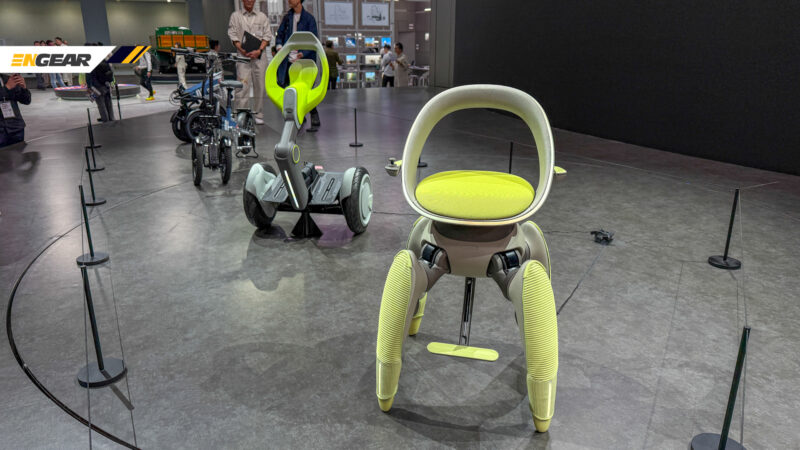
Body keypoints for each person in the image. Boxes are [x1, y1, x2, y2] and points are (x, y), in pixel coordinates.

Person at [275, 0, 321, 128]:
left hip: (304, 61)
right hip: (288, 60)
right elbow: (279, 35)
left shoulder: (309, 19)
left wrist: (303, 53)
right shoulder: (287, 18)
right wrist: (279, 47)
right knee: (291, 88)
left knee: (306, 89)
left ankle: (314, 114)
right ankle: (299, 114)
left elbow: (313, 40)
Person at [228, 0, 273, 125]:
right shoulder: (235, 16)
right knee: (242, 86)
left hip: (259, 57)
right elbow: (232, 35)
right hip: (243, 57)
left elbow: (267, 36)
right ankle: (241, 114)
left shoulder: (262, 17)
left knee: (260, 86)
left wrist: (259, 50)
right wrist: (242, 49)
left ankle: (259, 113)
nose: (249, 1)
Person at [86, 44, 116, 122]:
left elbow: (88, 75)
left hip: (97, 86)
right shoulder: (104, 59)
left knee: (101, 104)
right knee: (109, 103)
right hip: (106, 85)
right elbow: (110, 71)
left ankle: (106, 121)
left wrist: (89, 86)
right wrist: (111, 83)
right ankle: (112, 119)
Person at [0, 74, 32, 147]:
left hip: (16, 128)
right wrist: (6, 88)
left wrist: (23, 88)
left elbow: (26, 100)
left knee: (19, 153)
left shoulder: (8, 79)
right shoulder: (9, 83)